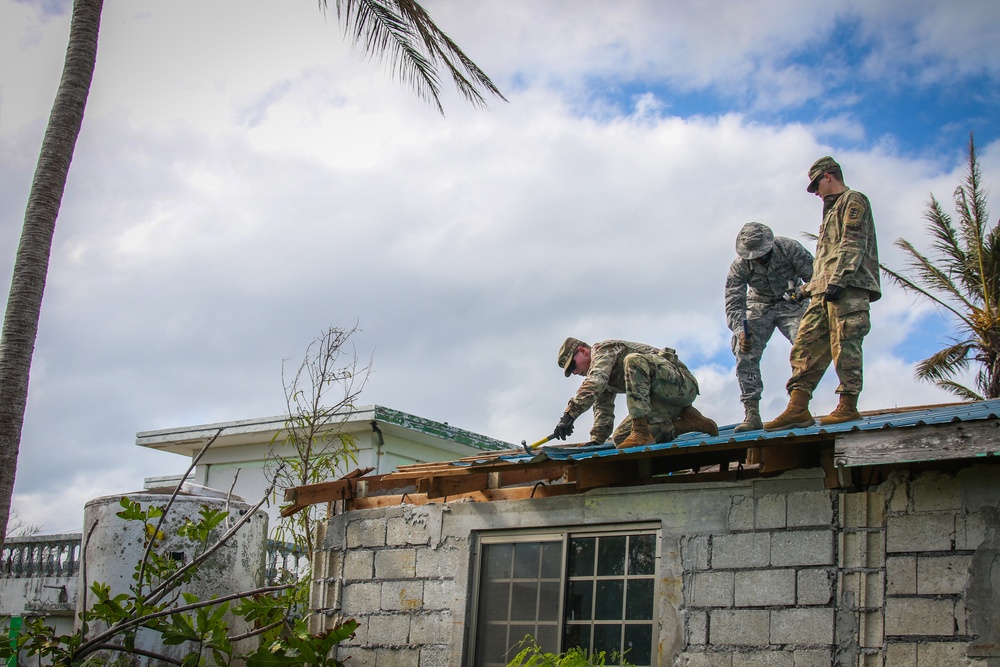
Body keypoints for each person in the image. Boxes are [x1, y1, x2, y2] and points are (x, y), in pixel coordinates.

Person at [764, 156, 881, 431]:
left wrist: (839, 281)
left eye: (816, 185)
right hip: (824, 292)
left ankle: (848, 407)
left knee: (846, 345)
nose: (816, 192)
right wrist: (806, 291)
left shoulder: (854, 200)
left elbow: (852, 245)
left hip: (849, 288)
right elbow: (825, 264)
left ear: (828, 176)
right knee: (805, 344)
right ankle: (797, 407)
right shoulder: (830, 212)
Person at [553, 337, 719, 450]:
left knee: (633, 360)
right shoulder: (601, 375)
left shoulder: (603, 350)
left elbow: (595, 382)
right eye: (570, 371)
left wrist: (569, 415)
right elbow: (602, 408)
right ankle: (688, 422)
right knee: (621, 438)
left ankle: (641, 431)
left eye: (573, 365)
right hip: (663, 401)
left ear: (582, 350)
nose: (574, 372)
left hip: (681, 385)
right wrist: (596, 440)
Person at [725, 222, 813, 432]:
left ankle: (798, 407)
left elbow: (816, 278)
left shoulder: (789, 248)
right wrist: (740, 331)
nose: (756, 257)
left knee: (806, 342)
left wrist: (801, 292)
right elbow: (733, 303)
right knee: (743, 349)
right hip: (759, 303)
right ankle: (752, 413)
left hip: (792, 301)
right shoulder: (739, 266)